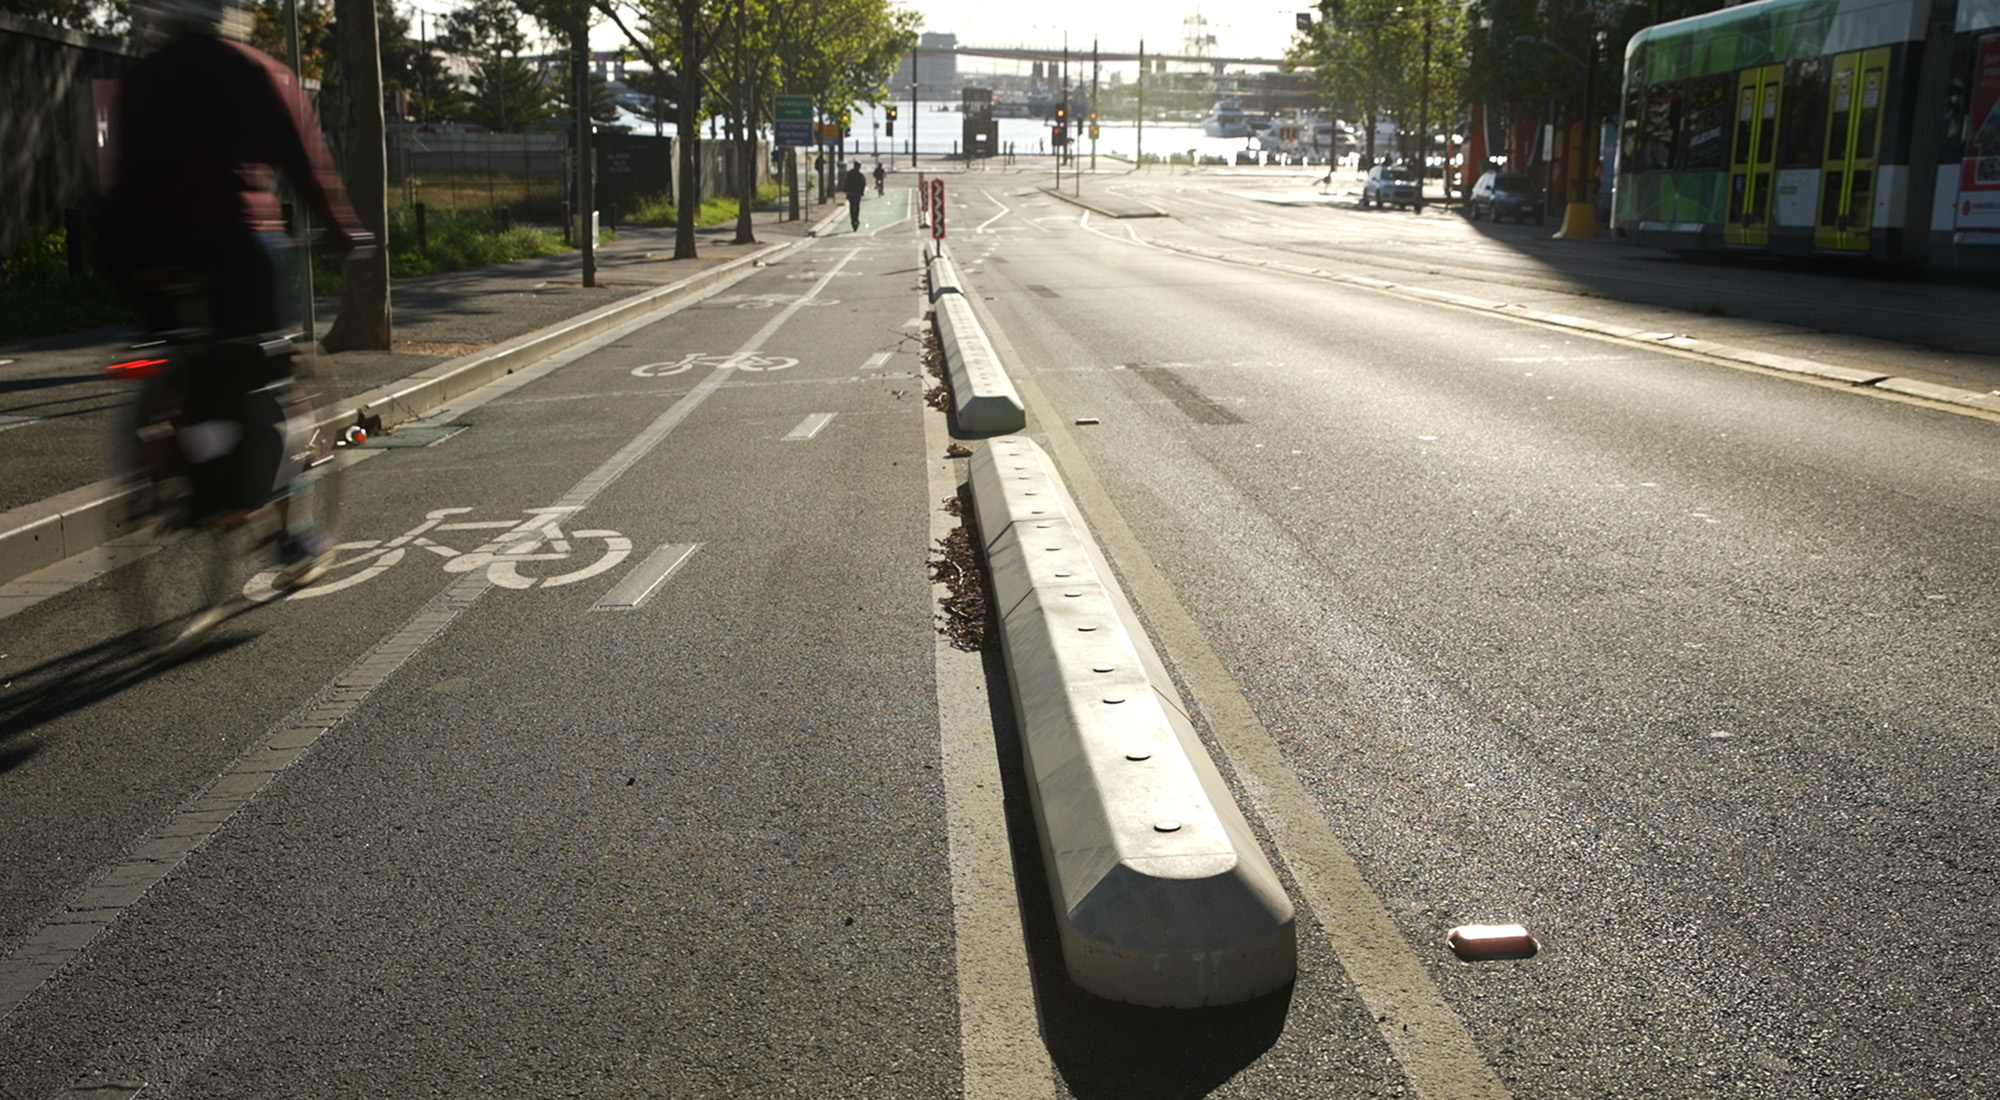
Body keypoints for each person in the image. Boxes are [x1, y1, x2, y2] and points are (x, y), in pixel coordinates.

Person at [98, 0, 368, 587]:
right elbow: (306, 164)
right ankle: (287, 532)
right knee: (266, 370)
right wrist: (341, 227)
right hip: (231, 245)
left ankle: (168, 455)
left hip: (133, 247)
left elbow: (115, 167)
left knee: (177, 355)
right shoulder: (255, 71)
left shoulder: (141, 76)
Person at [840, 161, 867, 231]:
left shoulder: (850, 174)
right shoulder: (860, 175)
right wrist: (862, 192)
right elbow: (863, 184)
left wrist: (846, 191)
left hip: (851, 193)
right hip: (856, 193)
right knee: (856, 206)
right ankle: (855, 219)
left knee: (852, 207)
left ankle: (853, 220)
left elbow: (846, 182)